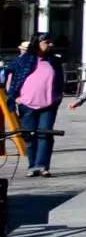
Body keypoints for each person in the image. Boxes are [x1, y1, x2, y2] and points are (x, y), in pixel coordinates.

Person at [12, 37, 64, 176]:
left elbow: (60, 80)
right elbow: (11, 78)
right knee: (29, 135)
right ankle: (32, 165)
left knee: (45, 134)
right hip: (27, 105)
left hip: (48, 104)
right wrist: (16, 98)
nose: (50, 44)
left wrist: (58, 97)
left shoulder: (53, 60)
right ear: (37, 43)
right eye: (46, 42)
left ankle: (42, 166)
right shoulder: (24, 60)